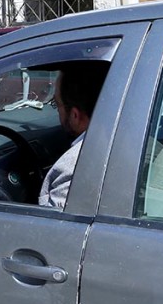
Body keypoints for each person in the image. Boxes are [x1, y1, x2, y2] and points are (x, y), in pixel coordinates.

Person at [38, 63, 109, 208]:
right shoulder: (144, 142)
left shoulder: (75, 170)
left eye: (56, 104)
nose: (57, 111)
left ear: (75, 115)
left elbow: (50, 227)